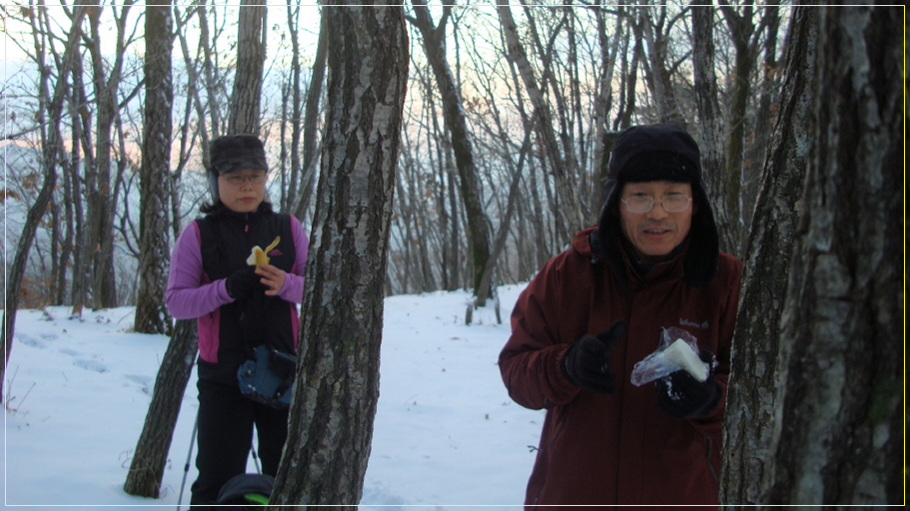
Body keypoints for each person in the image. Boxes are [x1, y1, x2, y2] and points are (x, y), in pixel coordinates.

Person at [499, 123, 743, 507]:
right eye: (641, 196)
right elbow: (516, 372)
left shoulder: (727, 283)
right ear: (617, 201)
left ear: (695, 202)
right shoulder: (567, 275)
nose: (658, 212)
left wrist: (710, 399)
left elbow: (769, 401)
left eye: (674, 196)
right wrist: (565, 367)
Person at [165, 134, 308, 507]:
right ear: (215, 182)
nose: (247, 186)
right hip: (223, 374)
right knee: (216, 478)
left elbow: (321, 291)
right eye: (234, 178)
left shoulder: (288, 228)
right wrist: (225, 289)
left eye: (255, 176)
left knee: (286, 477)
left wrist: (286, 284)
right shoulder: (199, 234)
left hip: (282, 371)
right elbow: (176, 303)